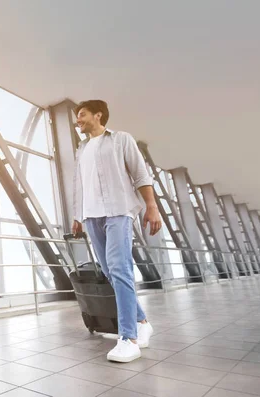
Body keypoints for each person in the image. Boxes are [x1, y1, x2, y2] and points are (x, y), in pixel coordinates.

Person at [72, 99, 162, 363]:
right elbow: (80, 185)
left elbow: (140, 175)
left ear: (98, 115)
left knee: (120, 269)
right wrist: (78, 216)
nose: (78, 120)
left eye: (82, 114)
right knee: (111, 273)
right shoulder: (82, 148)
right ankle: (142, 322)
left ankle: (129, 338)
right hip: (91, 216)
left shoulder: (121, 139)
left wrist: (151, 206)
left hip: (118, 212)